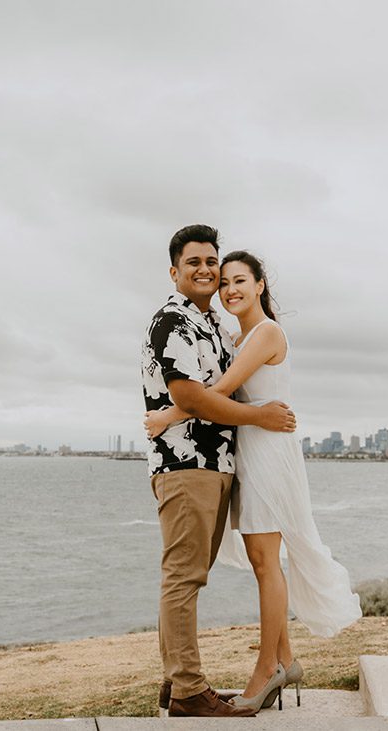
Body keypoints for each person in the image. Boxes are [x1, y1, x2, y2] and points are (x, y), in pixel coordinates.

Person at [146, 249, 362, 712]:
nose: (229, 290)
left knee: (266, 563)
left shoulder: (266, 333)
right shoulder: (235, 335)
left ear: (261, 284)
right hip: (249, 452)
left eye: (239, 280)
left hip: (266, 453)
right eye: (224, 284)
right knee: (265, 561)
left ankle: (267, 669)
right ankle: (285, 659)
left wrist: (169, 414)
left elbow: (219, 391)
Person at [142, 225, 297, 718]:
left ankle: (177, 682)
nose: (208, 271)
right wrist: (259, 416)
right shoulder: (172, 322)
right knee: (184, 577)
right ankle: (189, 690)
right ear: (175, 271)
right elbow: (190, 396)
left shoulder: (212, 325)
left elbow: (223, 386)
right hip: (185, 464)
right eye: (196, 263)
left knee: (189, 576)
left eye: (213, 261)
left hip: (219, 464)